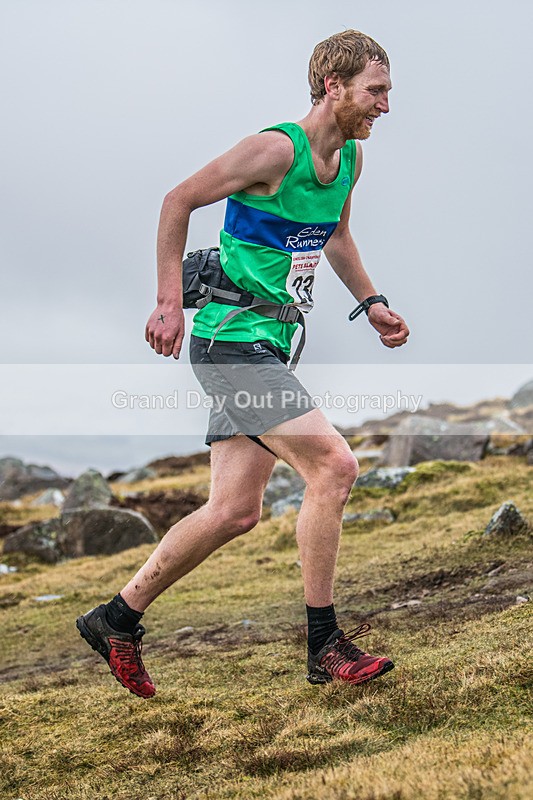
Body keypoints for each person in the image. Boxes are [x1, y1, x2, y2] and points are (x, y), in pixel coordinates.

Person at [76, 29, 410, 698]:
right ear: (332, 86)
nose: (383, 106)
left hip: (270, 342)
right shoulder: (273, 149)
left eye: (387, 94)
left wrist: (369, 301)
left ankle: (115, 619)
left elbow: (335, 235)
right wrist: (168, 304)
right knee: (333, 466)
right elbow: (177, 200)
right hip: (227, 343)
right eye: (375, 92)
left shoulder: (346, 162)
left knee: (234, 511)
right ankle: (324, 644)